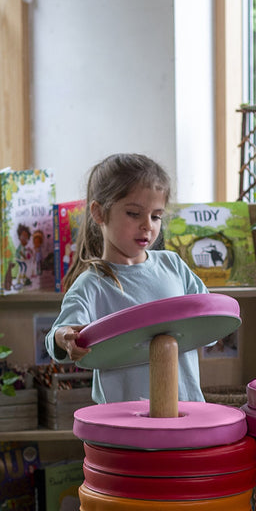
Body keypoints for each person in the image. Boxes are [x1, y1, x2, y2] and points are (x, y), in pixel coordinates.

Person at [44, 153, 209, 404]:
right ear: (99, 213)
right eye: (134, 213)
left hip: (185, 413)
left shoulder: (173, 265)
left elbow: (210, 322)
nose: (148, 225)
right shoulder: (92, 284)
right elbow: (60, 336)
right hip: (126, 425)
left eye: (156, 216)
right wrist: (63, 337)